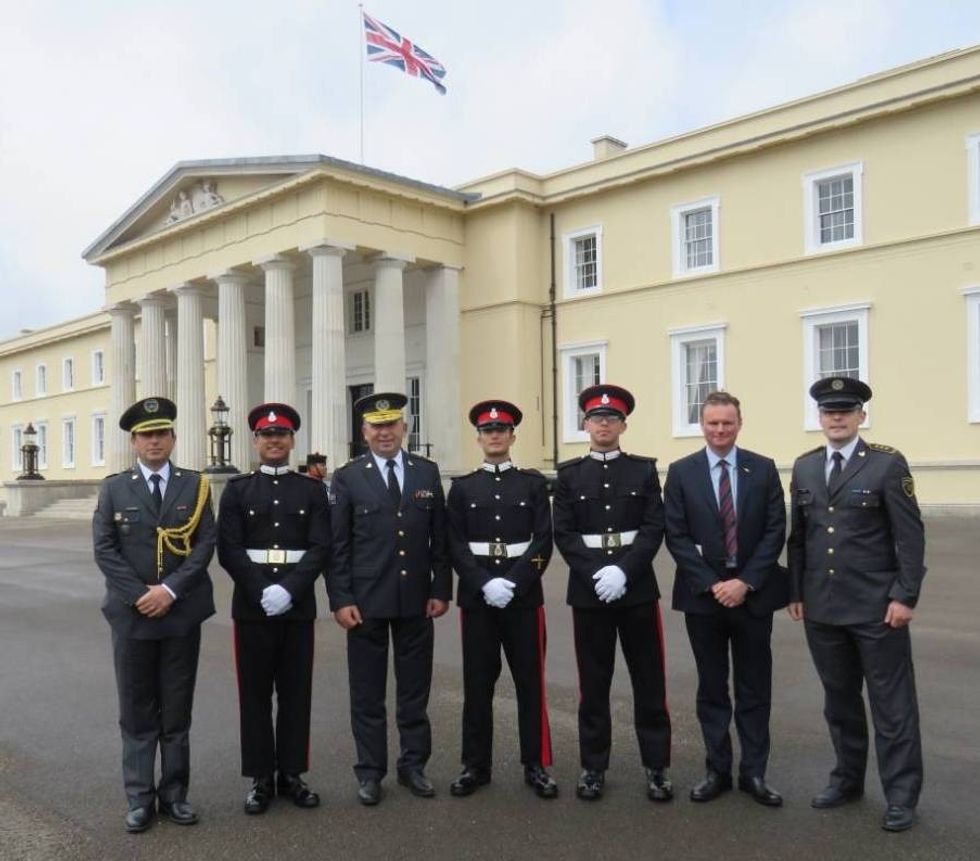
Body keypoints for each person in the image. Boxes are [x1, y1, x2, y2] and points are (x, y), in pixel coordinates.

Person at [787, 376, 926, 833]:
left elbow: (910, 535)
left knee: (892, 706)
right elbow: (800, 538)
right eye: (829, 412)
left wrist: (905, 595)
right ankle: (847, 780)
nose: (837, 418)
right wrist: (796, 592)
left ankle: (901, 795)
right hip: (823, 610)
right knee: (840, 702)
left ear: (861, 416)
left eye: (846, 411)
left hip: (877, 609)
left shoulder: (886, 464)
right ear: (820, 418)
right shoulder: (805, 467)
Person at [92, 396, 216, 833]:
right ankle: (140, 798)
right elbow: (105, 548)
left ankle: (175, 794)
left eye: (161, 433)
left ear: (173, 438)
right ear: (134, 441)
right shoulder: (114, 488)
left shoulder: (196, 485)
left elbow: (204, 545)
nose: (154, 441)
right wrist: (140, 595)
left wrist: (168, 590)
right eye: (146, 435)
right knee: (137, 710)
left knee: (177, 710)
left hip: (181, 613)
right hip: (132, 616)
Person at [326, 392, 451, 805]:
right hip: (366, 602)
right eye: (376, 426)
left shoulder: (426, 473)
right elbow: (338, 545)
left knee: (415, 691)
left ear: (404, 428)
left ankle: (413, 765)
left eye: (391, 424)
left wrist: (440, 589)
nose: (384, 432)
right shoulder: (348, 477)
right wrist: (340, 598)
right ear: (364, 432)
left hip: (417, 599)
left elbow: (440, 540)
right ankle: (370, 771)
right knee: (367, 693)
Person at [663, 391, 787, 807]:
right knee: (712, 688)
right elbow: (675, 535)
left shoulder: (763, 469)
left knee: (754, 688)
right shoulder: (682, 472)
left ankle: (754, 773)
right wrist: (713, 583)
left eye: (727, 423)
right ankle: (717, 770)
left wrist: (746, 581)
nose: (720, 430)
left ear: (739, 423)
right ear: (703, 424)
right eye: (713, 423)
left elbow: (775, 530)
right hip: (704, 598)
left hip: (752, 597)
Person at [552, 384, 672, 803]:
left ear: (623, 424)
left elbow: (654, 526)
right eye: (597, 418)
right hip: (589, 593)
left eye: (612, 419)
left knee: (649, 681)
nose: (604, 424)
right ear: (586, 424)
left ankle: (657, 767)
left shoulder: (643, 470)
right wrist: (596, 573)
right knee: (593, 683)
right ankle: (593, 766)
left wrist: (623, 571)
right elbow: (564, 534)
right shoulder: (568, 476)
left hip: (636, 588)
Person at [217, 403, 331, 815]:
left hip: (297, 608)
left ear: (292, 440)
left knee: (296, 693)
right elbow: (228, 547)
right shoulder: (237, 490)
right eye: (267, 435)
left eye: (281, 434)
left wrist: (291, 589)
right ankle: (261, 778)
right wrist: (262, 589)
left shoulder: (313, 490)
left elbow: (321, 545)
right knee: (255, 695)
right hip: (252, 607)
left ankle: (293, 774)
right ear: (256, 441)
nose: (274, 441)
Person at [446, 400, 557, 799]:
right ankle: (475, 765)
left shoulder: (531, 484)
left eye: (502, 428)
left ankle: (536, 763)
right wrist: (482, 583)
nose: (495, 435)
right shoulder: (462, 488)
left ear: (512, 436)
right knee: (477, 685)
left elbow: (544, 539)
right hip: (478, 601)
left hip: (523, 598)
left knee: (531, 684)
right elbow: (455, 545)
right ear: (478, 437)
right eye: (488, 429)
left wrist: (515, 582)